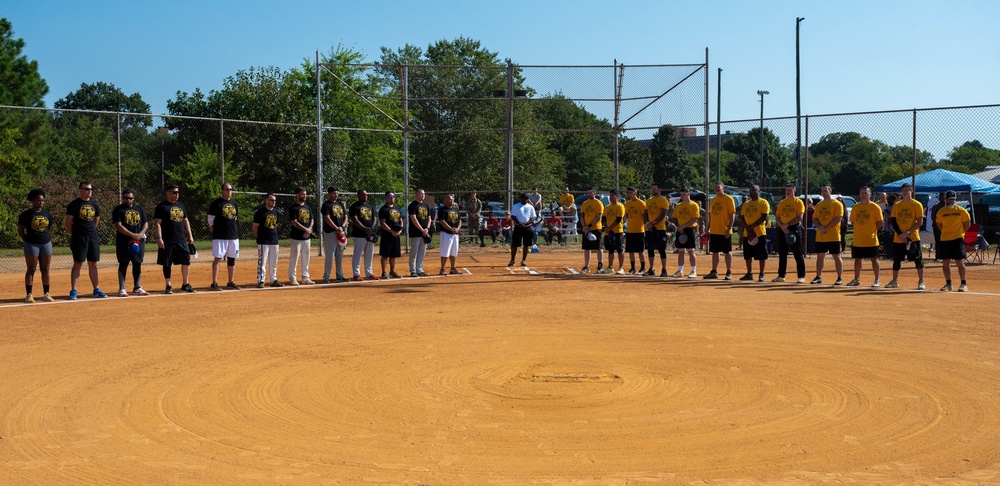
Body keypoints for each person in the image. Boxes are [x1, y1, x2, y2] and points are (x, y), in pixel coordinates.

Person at [66, 181, 106, 299]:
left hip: (92, 236)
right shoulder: (74, 205)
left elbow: (96, 222)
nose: (90, 191)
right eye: (87, 189)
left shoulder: (95, 205)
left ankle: (96, 289)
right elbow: (68, 224)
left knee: (93, 263)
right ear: (81, 190)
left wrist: (90, 232)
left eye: (91, 189)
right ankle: (74, 290)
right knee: (78, 263)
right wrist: (77, 234)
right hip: (79, 237)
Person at [153, 184, 196, 294]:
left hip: (181, 239)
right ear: (168, 193)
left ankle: (185, 284)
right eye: (174, 192)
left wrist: (190, 235)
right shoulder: (162, 207)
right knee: (167, 262)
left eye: (178, 192)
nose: (177, 194)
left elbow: (186, 221)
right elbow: (157, 223)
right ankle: (168, 285)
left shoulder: (181, 205)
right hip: (167, 240)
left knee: (186, 260)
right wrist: (159, 238)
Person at [886, 183, 926, 291]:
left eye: (907, 190)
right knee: (897, 260)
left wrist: (907, 233)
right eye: (903, 190)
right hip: (899, 238)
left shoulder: (917, 204)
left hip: (912, 237)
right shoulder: (897, 205)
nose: (905, 192)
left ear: (911, 191)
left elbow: (919, 222)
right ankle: (895, 280)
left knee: (917, 259)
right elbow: (893, 221)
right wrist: (900, 234)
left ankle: (921, 281)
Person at [17, 189, 55, 303]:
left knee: (45, 269)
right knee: (31, 269)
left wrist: (44, 238)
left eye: (42, 200)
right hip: (31, 244)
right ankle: (29, 295)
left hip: (45, 243)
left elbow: (48, 228)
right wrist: (27, 240)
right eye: (38, 200)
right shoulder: (26, 214)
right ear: (33, 200)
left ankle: (46, 294)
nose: (41, 202)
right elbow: (21, 230)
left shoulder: (47, 213)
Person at [111, 188, 150, 297]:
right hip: (124, 241)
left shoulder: (139, 209)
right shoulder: (118, 210)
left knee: (137, 263)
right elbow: (118, 225)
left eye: (130, 198)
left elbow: (146, 223)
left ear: (134, 199)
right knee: (124, 263)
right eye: (126, 198)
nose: (128, 200)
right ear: (123, 198)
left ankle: (137, 287)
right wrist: (132, 235)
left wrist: (140, 234)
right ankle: (122, 288)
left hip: (138, 241)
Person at [845, 186, 883, 288]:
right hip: (858, 239)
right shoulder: (856, 207)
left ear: (870, 194)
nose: (863, 194)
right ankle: (856, 279)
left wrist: (873, 230)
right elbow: (853, 221)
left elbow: (880, 222)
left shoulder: (875, 207)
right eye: (862, 193)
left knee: (874, 259)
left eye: (865, 193)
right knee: (857, 259)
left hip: (871, 238)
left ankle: (877, 280)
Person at [935, 190, 970, 292]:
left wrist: (960, 233)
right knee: (946, 262)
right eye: (949, 199)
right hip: (945, 239)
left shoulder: (961, 211)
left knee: (959, 261)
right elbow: (939, 225)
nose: (951, 201)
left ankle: (963, 284)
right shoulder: (941, 212)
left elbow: (967, 224)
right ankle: (948, 284)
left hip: (957, 239)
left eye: (953, 199)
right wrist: (947, 232)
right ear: (945, 200)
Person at [208, 182, 241, 291]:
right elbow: (210, 220)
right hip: (220, 236)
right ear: (222, 190)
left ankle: (230, 282)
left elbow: (235, 218)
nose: (229, 191)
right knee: (218, 258)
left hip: (233, 235)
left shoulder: (234, 203)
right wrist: (215, 231)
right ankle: (214, 283)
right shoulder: (216, 203)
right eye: (227, 189)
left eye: (230, 189)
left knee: (232, 259)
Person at [810, 184, 844, 285]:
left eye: (826, 190)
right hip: (821, 235)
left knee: (836, 256)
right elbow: (815, 219)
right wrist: (820, 227)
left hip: (833, 235)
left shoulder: (837, 204)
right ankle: (818, 276)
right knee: (820, 256)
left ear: (830, 191)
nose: (824, 192)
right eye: (822, 191)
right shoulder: (819, 205)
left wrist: (826, 227)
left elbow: (838, 218)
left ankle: (839, 277)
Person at [772, 183, 806, 283]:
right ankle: (781, 275)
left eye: (790, 190)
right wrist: (783, 226)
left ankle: (801, 276)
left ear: (794, 190)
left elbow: (799, 217)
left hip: (794, 228)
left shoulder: (799, 202)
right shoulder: (782, 203)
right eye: (786, 190)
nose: (787, 192)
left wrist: (787, 225)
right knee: (782, 253)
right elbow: (777, 217)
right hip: (782, 228)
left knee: (797, 253)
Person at [704, 181, 735, 280]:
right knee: (715, 252)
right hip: (714, 231)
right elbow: (711, 216)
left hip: (725, 230)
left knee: (727, 251)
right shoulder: (713, 200)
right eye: (715, 187)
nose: (717, 189)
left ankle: (728, 272)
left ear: (723, 188)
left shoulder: (729, 199)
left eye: (719, 187)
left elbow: (732, 214)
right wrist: (708, 229)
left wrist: (729, 228)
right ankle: (714, 271)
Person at [739, 185, 770, 282]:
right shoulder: (746, 204)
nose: (751, 192)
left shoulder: (763, 202)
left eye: (754, 190)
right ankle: (749, 273)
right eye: (750, 190)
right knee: (747, 255)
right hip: (747, 233)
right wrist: (747, 227)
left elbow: (764, 217)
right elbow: (742, 217)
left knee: (762, 255)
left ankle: (761, 274)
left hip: (759, 233)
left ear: (759, 191)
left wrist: (752, 226)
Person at [252, 193, 283, 288]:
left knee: (274, 262)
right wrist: (258, 237)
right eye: (271, 200)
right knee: (262, 262)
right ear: (266, 200)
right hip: (263, 240)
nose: (273, 202)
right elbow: (255, 227)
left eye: (274, 200)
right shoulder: (260, 212)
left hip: (274, 240)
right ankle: (261, 280)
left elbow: (275, 225)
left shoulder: (276, 212)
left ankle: (273, 280)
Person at [287, 186, 315, 286]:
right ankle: (292, 277)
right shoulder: (294, 207)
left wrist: (309, 229)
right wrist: (305, 229)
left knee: (306, 258)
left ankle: (305, 277)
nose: (304, 196)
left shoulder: (307, 207)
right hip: (296, 237)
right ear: (297, 195)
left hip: (307, 237)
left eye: (305, 194)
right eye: (302, 194)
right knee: (294, 258)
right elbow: (294, 222)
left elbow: (312, 219)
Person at [321, 186, 349, 283]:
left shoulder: (340, 204)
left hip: (340, 232)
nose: (336, 195)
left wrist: (342, 227)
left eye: (337, 193)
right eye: (333, 193)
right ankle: (326, 277)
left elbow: (346, 216)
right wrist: (336, 228)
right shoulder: (326, 205)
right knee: (330, 255)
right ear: (329, 194)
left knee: (340, 255)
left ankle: (339, 275)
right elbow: (327, 218)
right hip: (330, 232)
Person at [670, 187, 700, 278]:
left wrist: (683, 226)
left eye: (684, 194)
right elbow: (674, 218)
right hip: (680, 229)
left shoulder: (694, 205)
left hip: (689, 229)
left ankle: (693, 271)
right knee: (681, 251)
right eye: (681, 194)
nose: (682, 196)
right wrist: (678, 226)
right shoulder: (679, 205)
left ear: (688, 194)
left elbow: (695, 218)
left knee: (691, 251)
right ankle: (680, 271)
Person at [349, 189, 378, 281]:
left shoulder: (370, 206)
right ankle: (356, 274)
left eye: (366, 194)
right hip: (359, 234)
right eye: (363, 195)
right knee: (358, 254)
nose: (365, 196)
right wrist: (364, 228)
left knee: (369, 254)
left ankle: (369, 273)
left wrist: (371, 228)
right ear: (358, 196)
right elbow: (355, 220)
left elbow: (374, 218)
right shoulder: (354, 206)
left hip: (369, 234)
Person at [644, 182, 670, 276]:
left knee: (661, 249)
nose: (653, 190)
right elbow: (646, 213)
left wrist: (652, 223)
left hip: (659, 229)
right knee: (650, 249)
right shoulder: (649, 201)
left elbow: (662, 215)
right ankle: (651, 269)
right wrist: (647, 223)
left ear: (659, 189)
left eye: (655, 189)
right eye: (652, 189)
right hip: (650, 229)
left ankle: (664, 269)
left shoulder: (663, 200)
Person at [378, 192, 403, 279]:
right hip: (387, 235)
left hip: (396, 235)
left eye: (393, 197)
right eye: (390, 196)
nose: (392, 198)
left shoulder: (397, 208)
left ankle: (392, 271)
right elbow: (382, 223)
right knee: (385, 254)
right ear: (386, 198)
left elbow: (400, 220)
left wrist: (400, 230)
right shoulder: (383, 209)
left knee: (393, 255)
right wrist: (391, 231)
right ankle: (384, 272)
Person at [407, 188, 432, 277]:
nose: (423, 196)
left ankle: (419, 269)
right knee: (414, 251)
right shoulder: (412, 205)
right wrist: (422, 229)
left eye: (424, 194)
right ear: (416, 195)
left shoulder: (426, 205)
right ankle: (413, 270)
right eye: (421, 194)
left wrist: (427, 228)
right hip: (415, 232)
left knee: (422, 251)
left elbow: (429, 218)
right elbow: (413, 218)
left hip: (424, 232)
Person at [580, 187, 605, 273]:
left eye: (590, 193)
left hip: (596, 228)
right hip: (586, 229)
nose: (589, 194)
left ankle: (600, 266)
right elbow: (582, 216)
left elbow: (599, 217)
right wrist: (584, 226)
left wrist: (589, 226)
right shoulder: (585, 203)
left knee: (599, 247)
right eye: (588, 193)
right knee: (587, 248)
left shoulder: (598, 203)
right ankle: (586, 266)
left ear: (595, 193)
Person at [623, 186, 647, 275]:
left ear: (635, 193)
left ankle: (643, 268)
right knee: (630, 251)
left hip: (639, 230)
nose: (629, 195)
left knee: (640, 251)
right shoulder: (628, 203)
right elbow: (627, 215)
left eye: (631, 193)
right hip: (630, 230)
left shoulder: (641, 203)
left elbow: (644, 217)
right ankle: (633, 268)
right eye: (628, 193)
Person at [508, 194, 537, 267]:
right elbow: (513, 216)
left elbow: (533, 217)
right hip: (518, 227)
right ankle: (512, 260)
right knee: (514, 244)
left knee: (526, 244)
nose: (524, 199)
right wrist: (519, 223)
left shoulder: (530, 207)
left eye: (526, 198)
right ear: (520, 198)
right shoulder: (516, 206)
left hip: (527, 227)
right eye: (523, 198)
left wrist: (527, 223)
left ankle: (523, 260)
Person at [601, 189, 625, 274]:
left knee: (619, 249)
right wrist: (606, 227)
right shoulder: (607, 207)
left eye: (613, 195)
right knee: (610, 250)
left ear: (617, 197)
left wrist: (609, 227)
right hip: (609, 231)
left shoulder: (620, 206)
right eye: (610, 195)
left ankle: (621, 268)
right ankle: (610, 267)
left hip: (617, 231)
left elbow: (618, 219)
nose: (611, 197)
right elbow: (604, 219)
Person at [437, 194, 463, 275]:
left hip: (455, 234)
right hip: (446, 233)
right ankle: (442, 269)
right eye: (449, 199)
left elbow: (459, 220)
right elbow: (442, 221)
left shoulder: (456, 209)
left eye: (452, 199)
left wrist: (457, 229)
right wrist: (450, 229)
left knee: (454, 252)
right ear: (444, 201)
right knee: (445, 251)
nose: (451, 201)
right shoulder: (442, 210)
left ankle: (453, 268)